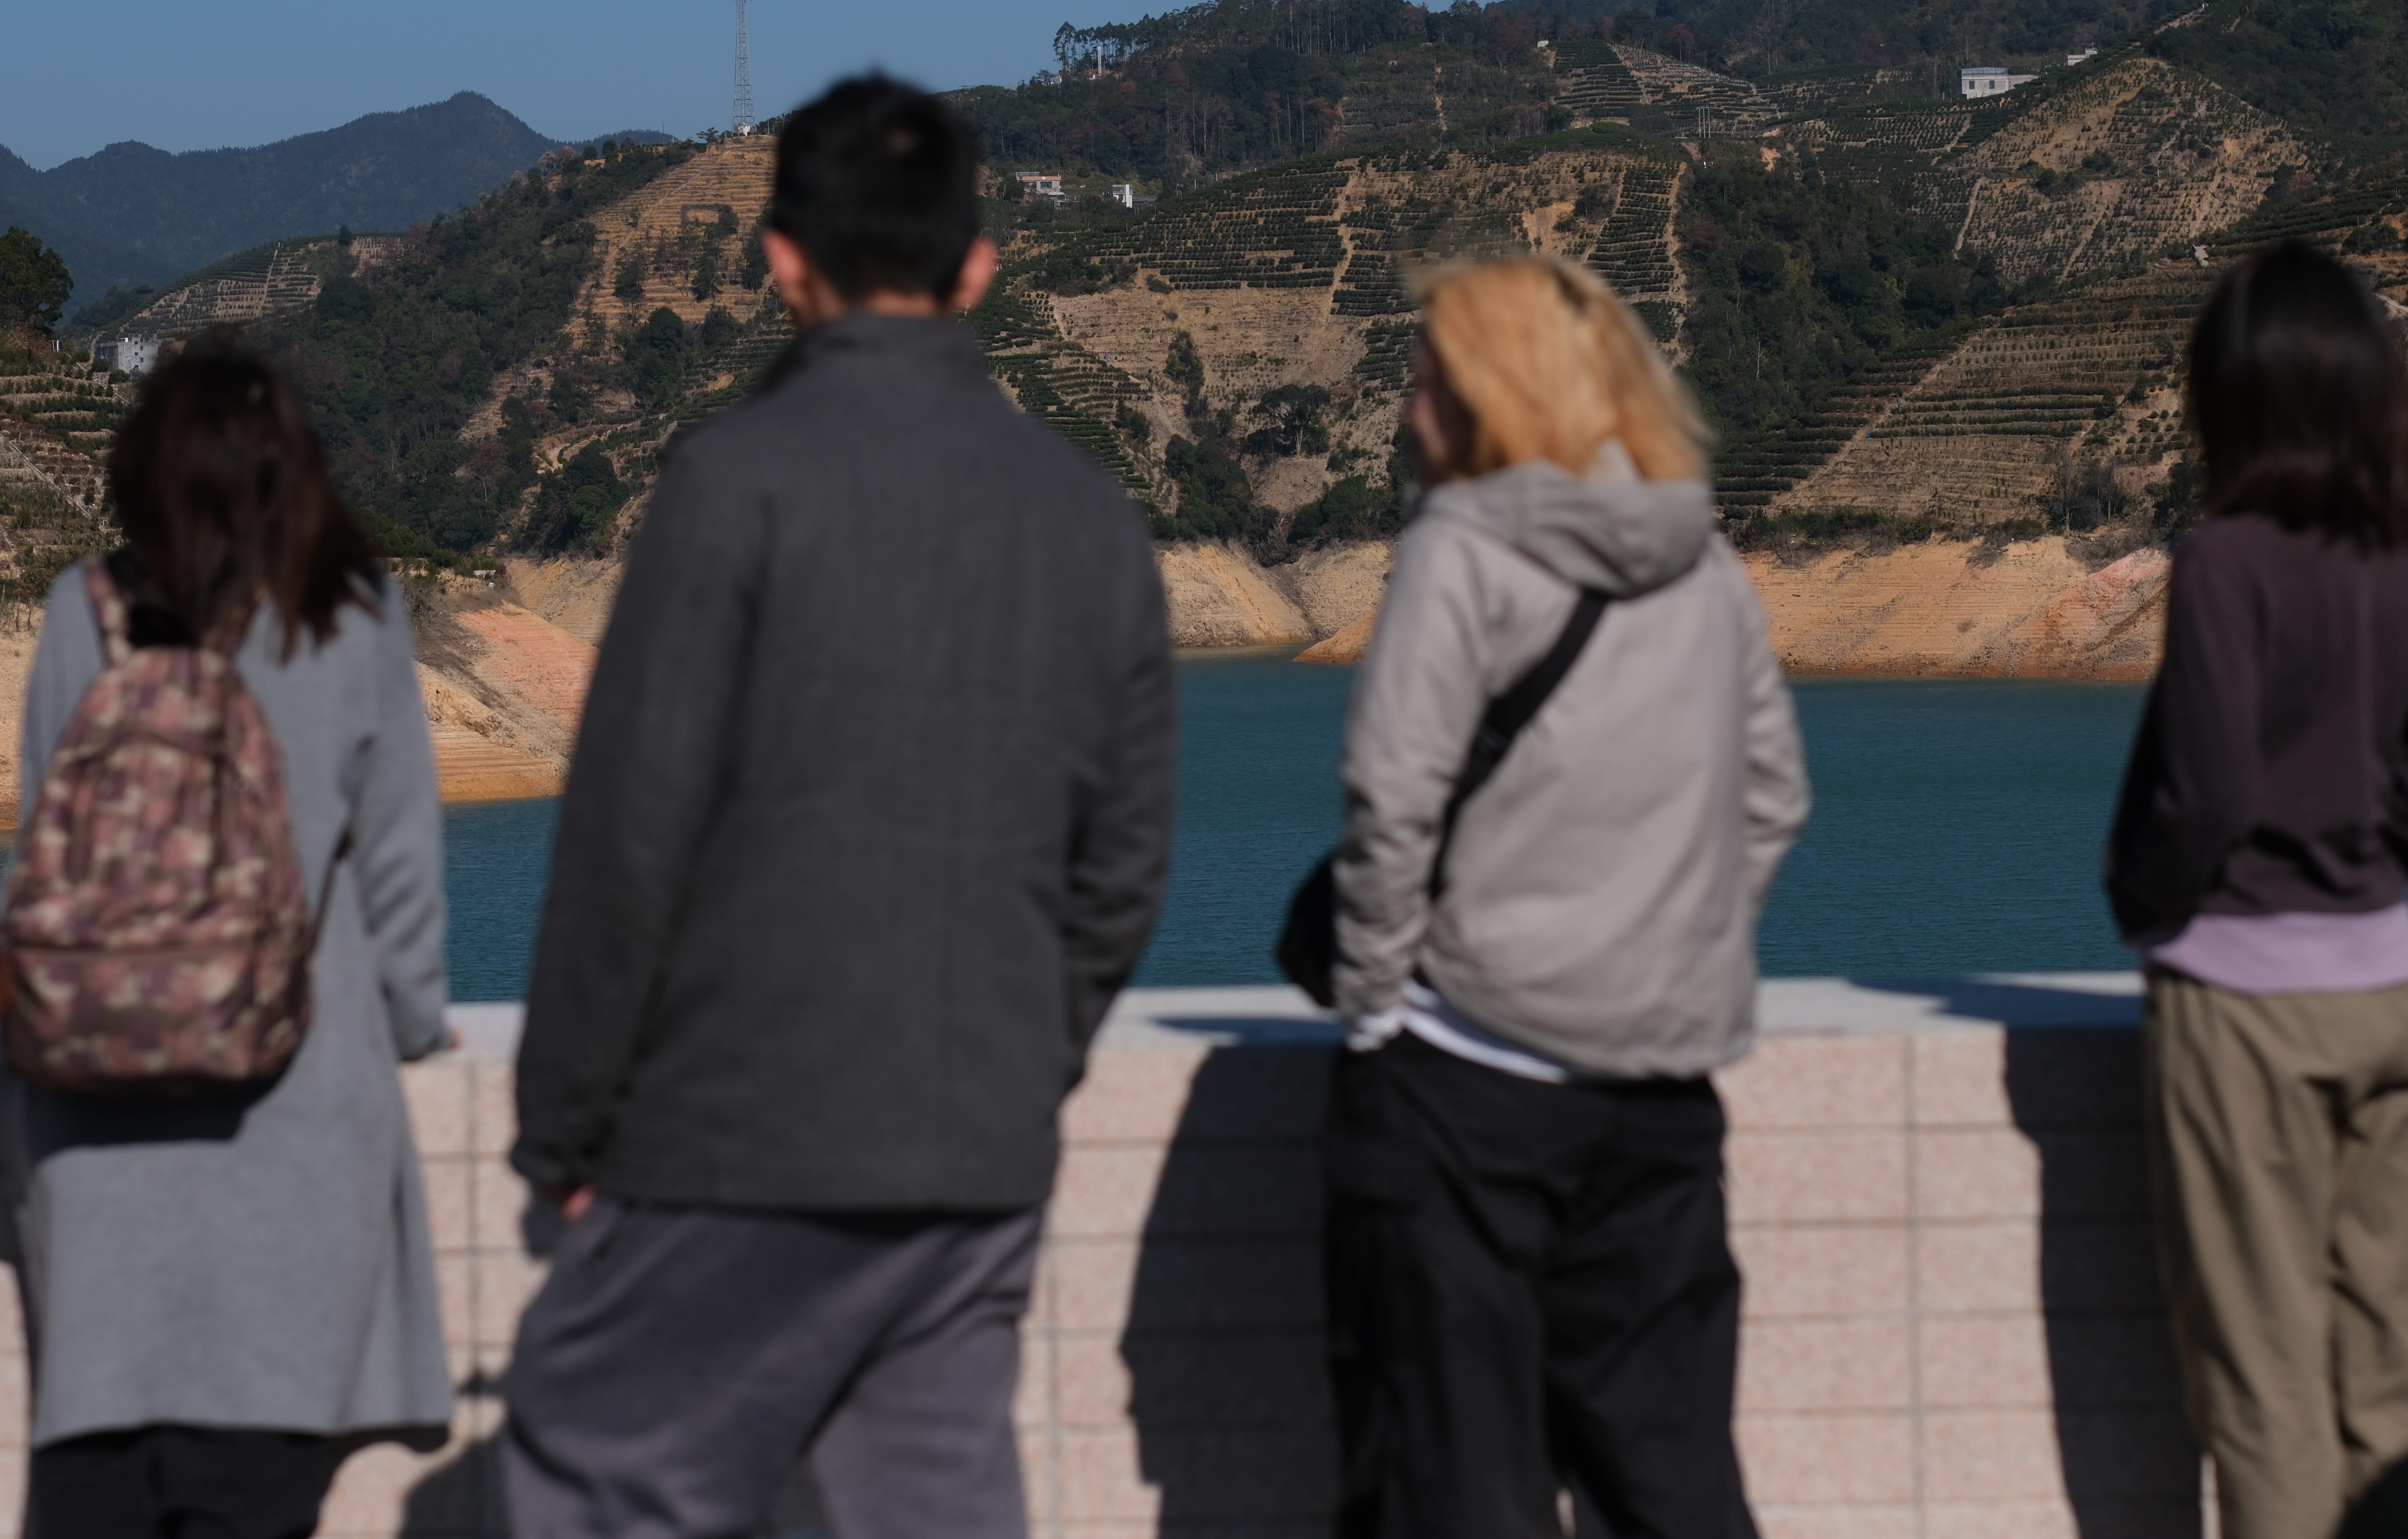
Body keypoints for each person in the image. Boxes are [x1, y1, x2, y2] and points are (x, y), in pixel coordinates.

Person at [503, 74, 1177, 1539]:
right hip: (977, 1147)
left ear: (779, 259)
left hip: (737, 1135)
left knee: (591, 1464)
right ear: (979, 264)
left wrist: (564, 1136)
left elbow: (628, 843)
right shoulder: (1090, 516)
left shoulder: (733, 481)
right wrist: (1019, 1046)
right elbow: (1121, 870)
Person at [1318, 256, 1809, 1539]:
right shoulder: (1701, 560)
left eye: (1429, 379)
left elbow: (1392, 800)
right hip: (1658, 1099)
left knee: (1458, 1485)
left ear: (1492, 394)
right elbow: (1773, 799)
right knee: (1673, 1481)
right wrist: (1665, 958)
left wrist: (1374, 1006)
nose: (1409, 407)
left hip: (1467, 1093)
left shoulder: (1460, 551)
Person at [4, 344, 452, 1539]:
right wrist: (403, 1025)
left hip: (89, 1146)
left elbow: (48, 857)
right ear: (294, 472)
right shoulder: (349, 619)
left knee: (95, 1490)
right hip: (293, 1139)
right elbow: (404, 891)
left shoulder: (79, 612)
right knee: (258, 1497)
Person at [2104, 241, 2408, 1539]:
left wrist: (2155, 907)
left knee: (2264, 1384)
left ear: (2238, 393)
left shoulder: (2227, 561)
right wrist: (2369, 869)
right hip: (2386, 989)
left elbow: (2204, 788)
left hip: (2243, 1010)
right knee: (2393, 1368)